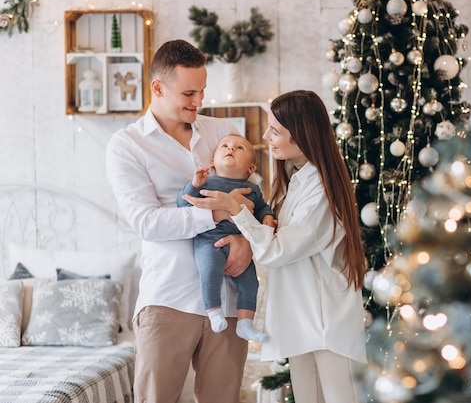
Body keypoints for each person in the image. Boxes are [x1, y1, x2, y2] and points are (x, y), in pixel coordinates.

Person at [182, 90, 368, 403]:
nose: (266, 136)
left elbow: (278, 250)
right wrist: (241, 230)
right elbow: (273, 239)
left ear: (303, 135)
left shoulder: (320, 188)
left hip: (326, 322)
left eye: (276, 131)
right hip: (301, 318)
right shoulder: (296, 181)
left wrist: (236, 209)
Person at [105, 39, 253, 403]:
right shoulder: (127, 145)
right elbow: (147, 223)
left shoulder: (223, 133)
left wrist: (247, 240)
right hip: (167, 299)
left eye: (202, 91)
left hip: (229, 297)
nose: (198, 101)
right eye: (189, 92)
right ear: (158, 87)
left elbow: (252, 197)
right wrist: (217, 212)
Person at [177, 134, 274, 343]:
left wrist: (267, 217)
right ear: (213, 162)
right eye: (225, 146)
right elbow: (184, 204)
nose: (231, 149)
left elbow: (263, 207)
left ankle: (245, 323)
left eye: (240, 148)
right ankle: (213, 311)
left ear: (250, 169)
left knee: (250, 282)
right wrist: (194, 184)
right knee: (209, 271)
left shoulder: (252, 189)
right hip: (210, 242)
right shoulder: (207, 183)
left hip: (241, 243)